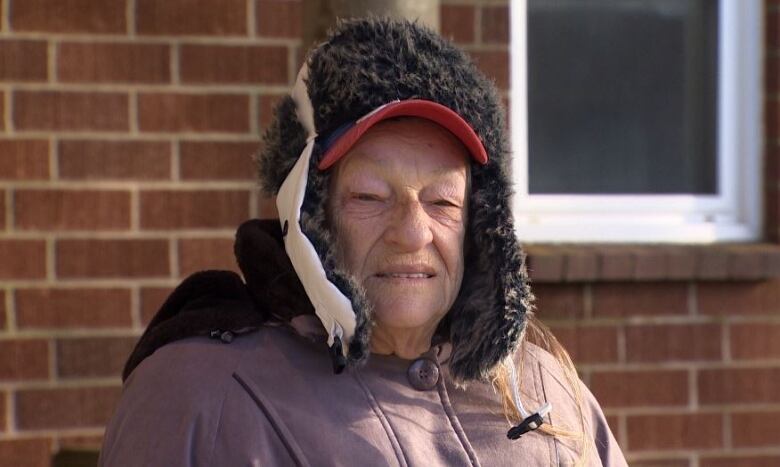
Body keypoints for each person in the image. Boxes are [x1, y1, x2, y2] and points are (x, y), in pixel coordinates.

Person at [99, 17, 627, 466]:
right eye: (371, 196)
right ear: (308, 213)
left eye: (443, 201)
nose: (413, 232)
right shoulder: (199, 399)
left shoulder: (550, 392)